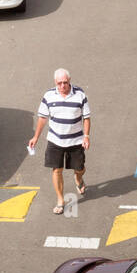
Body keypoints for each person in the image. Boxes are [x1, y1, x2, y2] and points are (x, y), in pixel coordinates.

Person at [28, 69, 91, 215]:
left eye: (65, 82)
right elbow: (43, 118)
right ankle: (60, 200)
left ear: (70, 81)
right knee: (56, 170)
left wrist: (86, 136)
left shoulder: (80, 95)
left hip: (75, 141)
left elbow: (86, 118)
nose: (63, 86)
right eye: (59, 83)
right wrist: (35, 137)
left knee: (80, 168)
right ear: (55, 83)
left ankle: (78, 178)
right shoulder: (49, 96)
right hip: (55, 140)